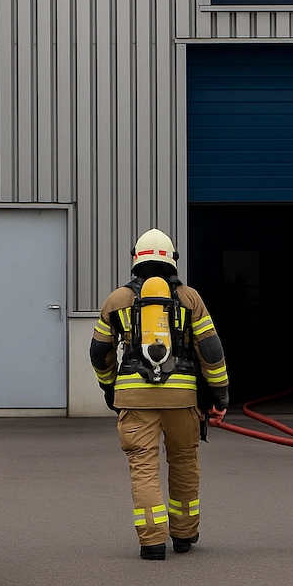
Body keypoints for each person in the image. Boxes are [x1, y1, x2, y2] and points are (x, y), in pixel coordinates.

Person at [89, 228, 229, 561]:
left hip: (134, 400)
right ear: (172, 261)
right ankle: (184, 534)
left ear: (135, 260)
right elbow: (210, 350)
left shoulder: (117, 300)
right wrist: (220, 394)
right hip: (182, 400)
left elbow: (99, 353)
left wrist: (110, 387)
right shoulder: (190, 298)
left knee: (144, 467)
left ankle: (152, 542)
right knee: (183, 462)